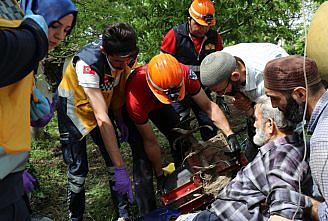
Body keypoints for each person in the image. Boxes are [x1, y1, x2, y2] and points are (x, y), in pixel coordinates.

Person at [125, 53, 239, 215]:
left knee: (180, 139)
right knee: (142, 158)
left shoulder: (184, 73)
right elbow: (150, 141)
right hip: (140, 102)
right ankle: (149, 212)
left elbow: (208, 106)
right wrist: (159, 174)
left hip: (159, 100)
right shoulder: (134, 98)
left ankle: (187, 187)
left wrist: (229, 134)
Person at [0, 0, 76, 220]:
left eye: (66, 30)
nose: (60, 36)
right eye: (54, 26)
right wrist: (32, 39)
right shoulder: (23, 35)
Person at [56, 22, 138, 220]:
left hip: (101, 102)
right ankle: (75, 217)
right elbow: (101, 118)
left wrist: (120, 119)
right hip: (74, 113)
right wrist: (121, 169)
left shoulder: (125, 54)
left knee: (112, 155)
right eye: (119, 61)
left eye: (127, 59)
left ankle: (123, 213)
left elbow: (117, 87)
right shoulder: (88, 64)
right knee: (79, 170)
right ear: (104, 50)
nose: (124, 64)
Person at [192, 95, 312, 221]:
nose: (254, 124)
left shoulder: (281, 158)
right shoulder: (287, 149)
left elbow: (285, 213)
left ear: (270, 125)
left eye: (256, 119)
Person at [263, 55, 328, 220]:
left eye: (275, 98)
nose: (273, 106)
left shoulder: (325, 142)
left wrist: (304, 203)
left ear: (300, 94)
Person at [200, 44, 289, 161]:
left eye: (222, 91)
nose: (222, 95)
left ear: (235, 76)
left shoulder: (266, 81)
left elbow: (274, 122)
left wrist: (250, 110)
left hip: (284, 100)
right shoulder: (223, 59)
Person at [160, 0, 223, 141]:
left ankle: (213, 154)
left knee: (209, 125)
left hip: (203, 90)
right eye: (198, 25)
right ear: (189, 19)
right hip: (179, 91)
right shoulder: (174, 35)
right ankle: (186, 156)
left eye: (206, 26)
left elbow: (219, 63)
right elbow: (163, 65)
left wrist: (220, 92)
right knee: (180, 127)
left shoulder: (214, 37)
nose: (202, 29)